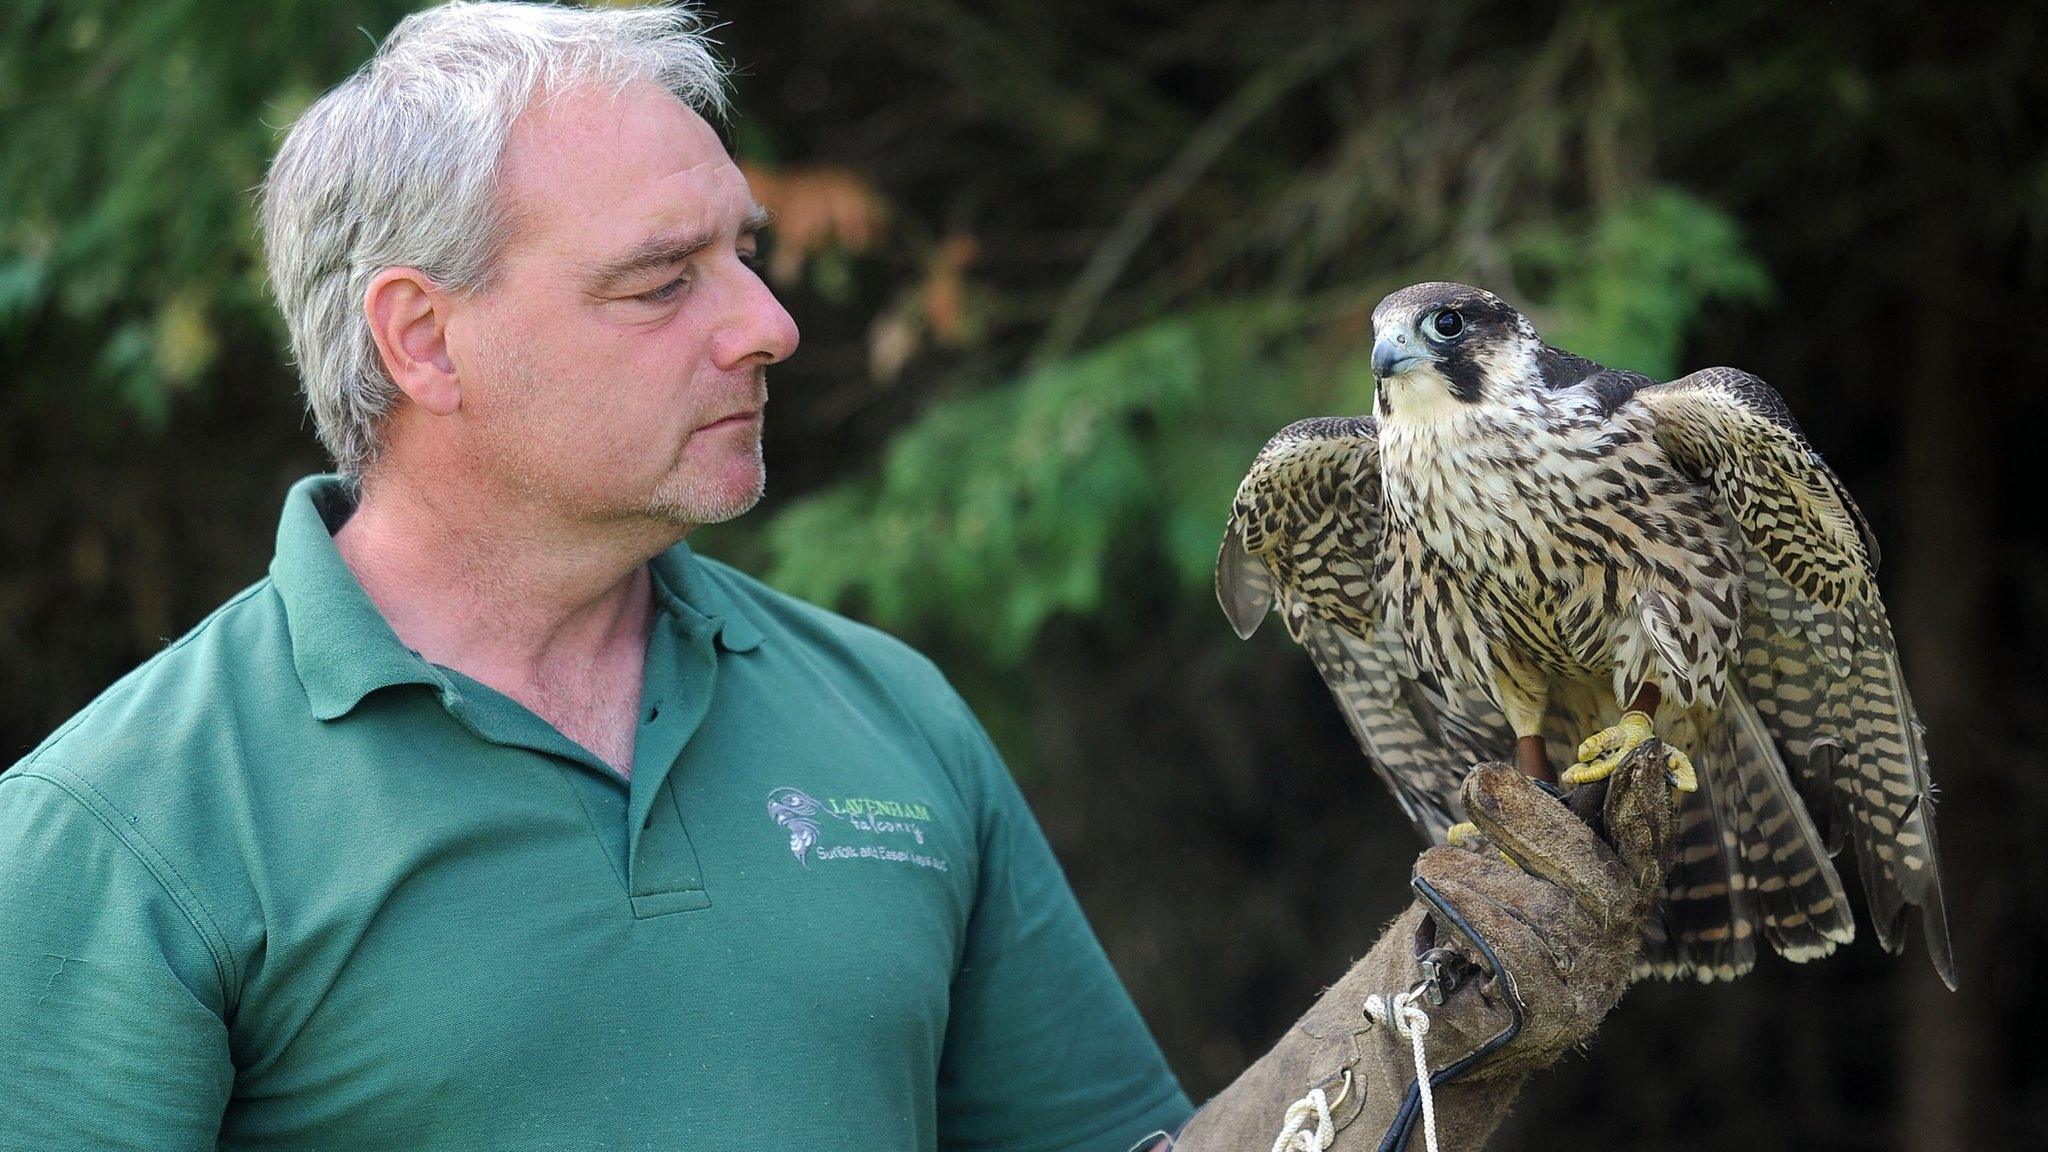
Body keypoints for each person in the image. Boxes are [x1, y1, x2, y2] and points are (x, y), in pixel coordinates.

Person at [0, 4, 1680, 1149]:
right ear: (422, 339)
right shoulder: (130, 823)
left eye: (748, 250)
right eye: (663, 282)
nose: (770, 324)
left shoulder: (886, 721)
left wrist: (1415, 1039)